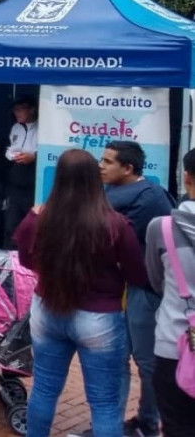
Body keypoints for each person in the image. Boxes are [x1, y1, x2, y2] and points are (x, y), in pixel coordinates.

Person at [13, 149, 148, 437]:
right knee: (105, 404)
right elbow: (136, 274)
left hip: (47, 310)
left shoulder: (37, 219)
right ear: (93, 181)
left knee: (44, 390)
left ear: (58, 179)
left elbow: (25, 261)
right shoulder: (115, 225)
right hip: (99, 318)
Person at [101, 140, 174, 437]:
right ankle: (112, 426)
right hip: (122, 289)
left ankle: (149, 422)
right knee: (118, 358)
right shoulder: (112, 193)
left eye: (107, 161)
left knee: (146, 361)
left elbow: (113, 241)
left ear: (128, 168)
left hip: (145, 291)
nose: (101, 166)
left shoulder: (149, 198)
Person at [144, 148, 195, 435]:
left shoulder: (161, 228)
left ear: (186, 177)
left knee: (177, 426)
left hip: (175, 345)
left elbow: (156, 280)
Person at [3, 95, 38, 248]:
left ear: (32, 110)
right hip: (16, 181)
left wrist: (34, 156)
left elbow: (48, 152)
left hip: (33, 182)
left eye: (20, 109)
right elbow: (11, 147)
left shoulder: (42, 128)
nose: (17, 113)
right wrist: (10, 154)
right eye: (15, 110)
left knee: (31, 224)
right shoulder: (15, 127)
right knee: (11, 225)